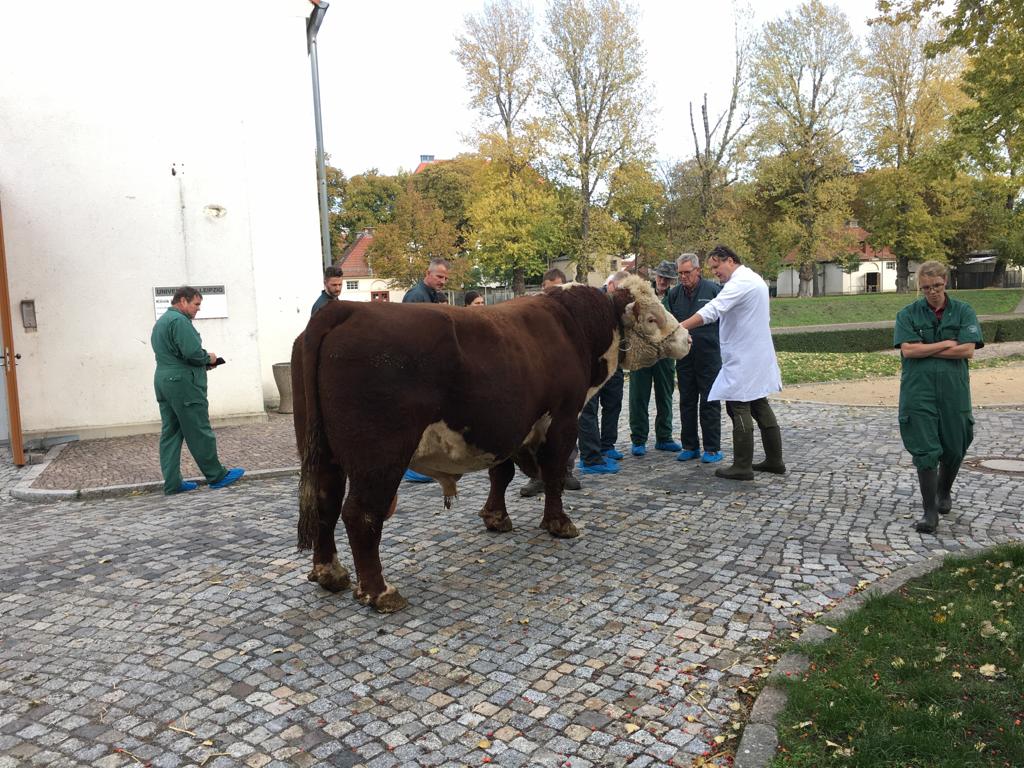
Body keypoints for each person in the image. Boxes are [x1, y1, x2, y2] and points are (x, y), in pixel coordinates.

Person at [678, 245, 785, 480]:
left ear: (729, 260)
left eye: (716, 266)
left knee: (739, 406)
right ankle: (775, 460)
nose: (715, 272)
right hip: (756, 353)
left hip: (744, 355)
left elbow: (712, 310)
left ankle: (742, 466)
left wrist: (679, 327)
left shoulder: (740, 283)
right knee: (759, 404)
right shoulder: (754, 278)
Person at [895, 260, 983, 534]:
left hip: (954, 390)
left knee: (956, 444)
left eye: (936, 286)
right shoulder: (907, 314)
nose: (932, 291)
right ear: (919, 288)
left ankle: (944, 492)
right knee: (925, 450)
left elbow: (967, 350)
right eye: (925, 288)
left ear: (946, 282)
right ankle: (929, 512)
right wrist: (946, 343)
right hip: (918, 391)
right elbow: (908, 351)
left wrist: (927, 348)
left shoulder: (963, 311)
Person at [151, 286, 245, 495]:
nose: (198, 309)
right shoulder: (179, 321)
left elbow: (175, 354)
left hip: (163, 380)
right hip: (182, 384)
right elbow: (192, 353)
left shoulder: (162, 323)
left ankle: (173, 482)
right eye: (196, 304)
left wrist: (200, 362)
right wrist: (208, 358)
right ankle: (216, 475)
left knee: (171, 432)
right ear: (183, 301)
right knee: (199, 429)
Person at [520, 267, 582, 496]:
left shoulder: (573, 312)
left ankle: (565, 470)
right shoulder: (533, 308)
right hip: (540, 375)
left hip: (566, 375)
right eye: (547, 289)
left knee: (566, 425)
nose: (551, 294)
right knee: (535, 429)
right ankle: (536, 476)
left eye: (555, 288)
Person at [667, 253, 723, 463]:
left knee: (709, 400)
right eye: (680, 273)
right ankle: (690, 445)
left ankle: (712, 448)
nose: (683, 277)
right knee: (687, 401)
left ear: (698, 271)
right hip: (684, 356)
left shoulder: (713, 290)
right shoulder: (674, 294)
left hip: (709, 355)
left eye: (687, 272)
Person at [402, 258, 451, 481]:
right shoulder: (416, 297)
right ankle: (414, 466)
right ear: (428, 274)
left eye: (445, 278)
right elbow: (411, 337)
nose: (443, 281)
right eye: (439, 276)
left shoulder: (432, 296)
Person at [577, 270, 629, 475]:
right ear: (612, 286)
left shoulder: (619, 305)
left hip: (612, 361)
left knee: (613, 403)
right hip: (592, 363)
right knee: (589, 409)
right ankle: (590, 456)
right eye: (622, 291)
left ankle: (608, 446)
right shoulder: (592, 303)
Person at [628, 260, 682, 456]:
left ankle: (664, 437)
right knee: (638, 397)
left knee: (665, 395)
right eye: (661, 277)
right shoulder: (642, 296)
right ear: (655, 277)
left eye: (667, 279)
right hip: (642, 353)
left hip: (665, 354)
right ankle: (639, 439)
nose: (663, 281)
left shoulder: (675, 297)